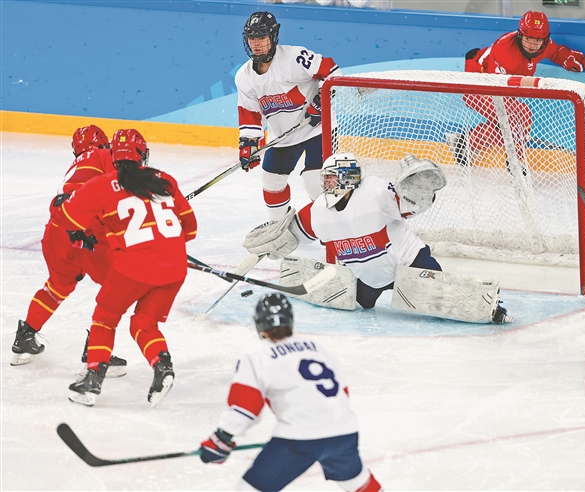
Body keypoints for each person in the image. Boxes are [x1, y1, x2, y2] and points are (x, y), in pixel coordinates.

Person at [242, 153, 511, 324]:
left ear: (349, 179)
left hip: (410, 262)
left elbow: (413, 204)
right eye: (326, 179)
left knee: (441, 296)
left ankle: (492, 307)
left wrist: (415, 184)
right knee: (361, 302)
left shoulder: (376, 193)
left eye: (333, 178)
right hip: (369, 277)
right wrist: (272, 242)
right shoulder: (317, 211)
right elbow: (291, 235)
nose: (328, 185)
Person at [55, 129, 198, 407]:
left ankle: (92, 380)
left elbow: (67, 219)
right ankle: (162, 366)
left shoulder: (101, 185)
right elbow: (189, 230)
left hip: (134, 268)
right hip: (175, 268)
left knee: (104, 318)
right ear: (143, 154)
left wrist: (59, 205)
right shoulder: (165, 179)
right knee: (143, 322)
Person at [199, 292, 382, 492]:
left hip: (300, 438)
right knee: (357, 483)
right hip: (344, 433)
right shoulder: (318, 348)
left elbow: (247, 406)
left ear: (259, 324)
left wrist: (222, 438)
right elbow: (342, 393)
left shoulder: (256, 355)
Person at [11, 125, 127, 376]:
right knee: (118, 288)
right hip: (85, 230)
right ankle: (96, 352)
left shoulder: (77, 164)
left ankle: (24, 338)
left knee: (57, 286)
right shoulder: (103, 156)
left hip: (56, 231)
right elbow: (118, 191)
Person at [236, 11, 341, 221]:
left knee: (315, 183)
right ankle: (279, 228)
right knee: (271, 181)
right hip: (283, 136)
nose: (256, 43)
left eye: (261, 37)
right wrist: (248, 143)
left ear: (273, 36)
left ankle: (333, 226)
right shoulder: (244, 76)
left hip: (318, 129)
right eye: (252, 38)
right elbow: (250, 114)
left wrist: (321, 102)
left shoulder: (294, 58)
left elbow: (332, 71)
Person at [450, 11, 585, 168]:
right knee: (521, 116)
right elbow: (497, 89)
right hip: (477, 86)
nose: (532, 45)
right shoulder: (504, 50)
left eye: (538, 40)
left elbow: (555, 52)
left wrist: (567, 58)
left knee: (509, 126)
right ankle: (515, 162)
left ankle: (465, 142)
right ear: (520, 35)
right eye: (528, 39)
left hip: (498, 86)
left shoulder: (543, 45)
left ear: (544, 39)